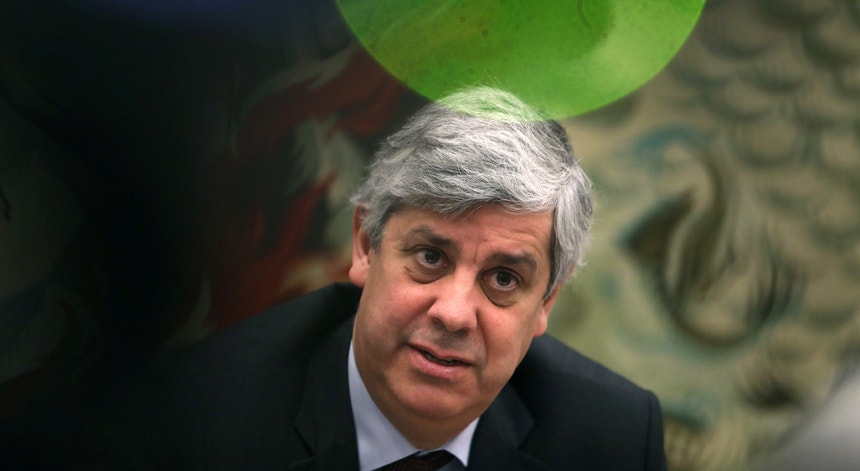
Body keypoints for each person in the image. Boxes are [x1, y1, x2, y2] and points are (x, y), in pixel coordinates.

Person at [109, 87, 667, 470]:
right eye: (430, 257)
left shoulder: (612, 436)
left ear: (545, 303)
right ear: (365, 245)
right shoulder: (200, 421)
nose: (453, 313)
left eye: (502, 279)